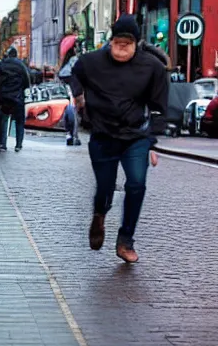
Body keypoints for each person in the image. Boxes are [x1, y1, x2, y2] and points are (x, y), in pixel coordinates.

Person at [71, 14, 168, 264]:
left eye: (128, 43)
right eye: (118, 42)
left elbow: (159, 107)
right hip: (103, 136)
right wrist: (79, 96)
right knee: (105, 188)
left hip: (135, 136)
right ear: (111, 40)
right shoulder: (91, 62)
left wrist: (152, 141)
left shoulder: (152, 67)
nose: (122, 47)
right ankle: (99, 216)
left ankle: (126, 240)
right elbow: (74, 73)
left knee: (136, 184)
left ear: (136, 43)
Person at [0, 47, 31, 152]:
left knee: (2, 119)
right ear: (16, 55)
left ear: (8, 55)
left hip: (4, 97)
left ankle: (1, 144)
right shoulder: (21, 65)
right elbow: (27, 81)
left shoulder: (1, 64)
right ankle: (18, 145)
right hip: (17, 97)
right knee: (19, 121)